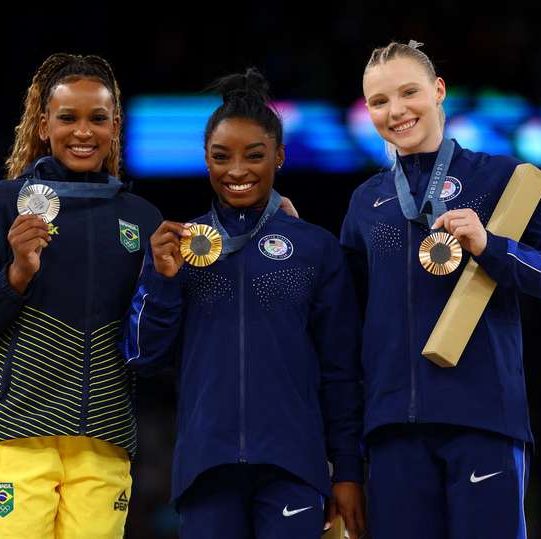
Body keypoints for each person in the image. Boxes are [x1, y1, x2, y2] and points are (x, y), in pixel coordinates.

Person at [341, 40, 541, 539]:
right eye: (379, 101)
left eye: (409, 92)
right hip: (392, 432)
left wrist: (490, 245)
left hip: (484, 422)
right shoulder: (365, 202)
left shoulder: (503, 178)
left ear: (438, 91)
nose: (396, 111)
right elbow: (345, 326)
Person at [120, 68, 366, 539]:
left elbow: (340, 371)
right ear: (206, 160)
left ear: (280, 156)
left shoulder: (316, 249)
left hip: (294, 465)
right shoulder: (176, 248)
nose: (237, 170)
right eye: (221, 157)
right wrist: (164, 282)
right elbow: (143, 357)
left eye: (254, 156)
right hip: (205, 467)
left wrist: (348, 471)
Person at [0, 53, 162, 538]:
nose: (83, 132)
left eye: (97, 119)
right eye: (68, 118)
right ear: (43, 124)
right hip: (17, 432)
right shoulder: (1, 204)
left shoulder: (142, 218)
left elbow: (150, 346)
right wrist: (17, 274)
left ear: (114, 126)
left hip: (104, 440)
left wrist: (167, 285)